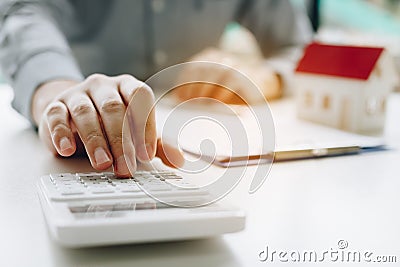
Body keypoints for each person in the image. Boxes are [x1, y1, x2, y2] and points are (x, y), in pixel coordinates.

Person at [0, 0, 312, 177]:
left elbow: (299, 47)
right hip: (77, 143)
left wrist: (264, 76)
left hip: (201, 127)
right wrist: (60, 94)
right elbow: (25, 16)